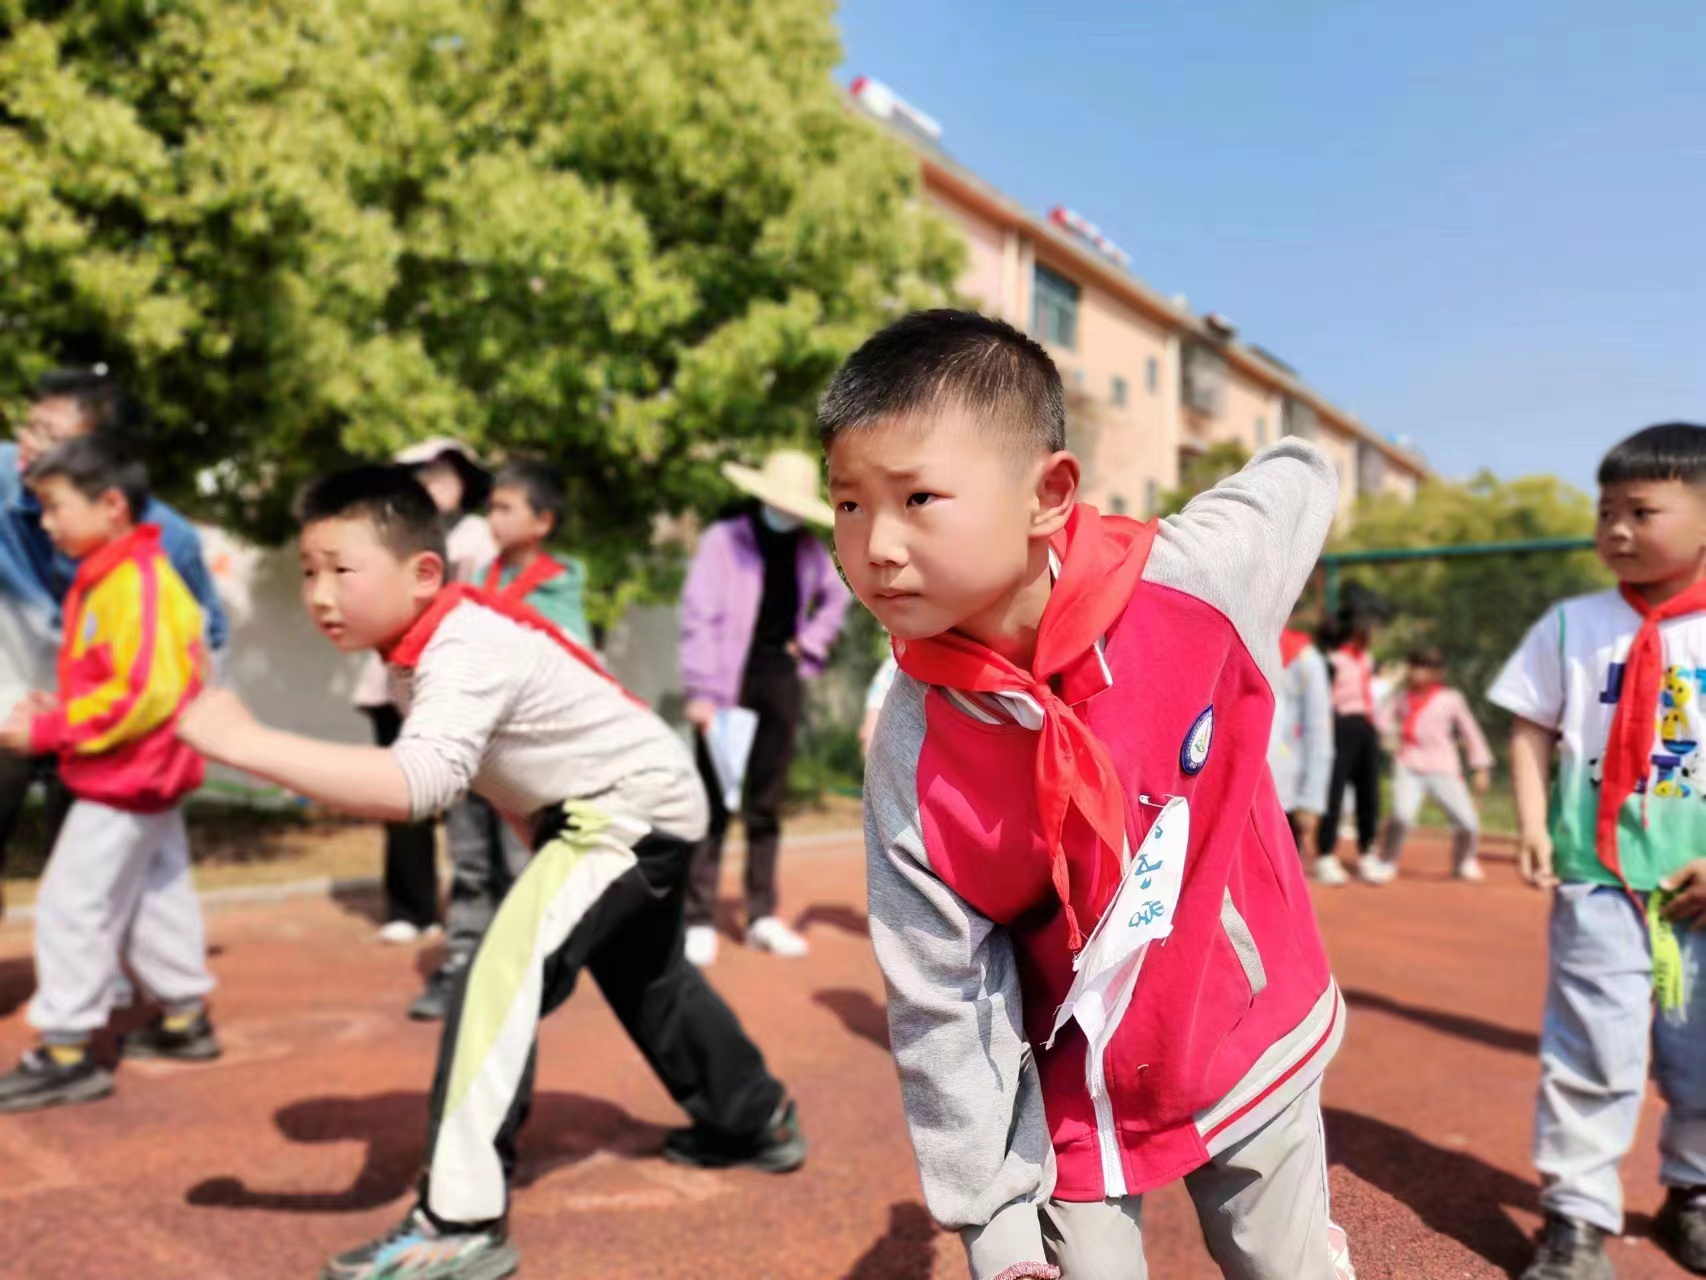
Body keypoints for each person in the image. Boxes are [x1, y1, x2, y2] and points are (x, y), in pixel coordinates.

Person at [176, 465, 803, 1280]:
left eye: (341, 568)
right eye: (307, 571)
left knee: (497, 978)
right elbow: (504, 762)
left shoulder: (462, 646)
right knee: (649, 977)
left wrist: (244, 744)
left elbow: (419, 786)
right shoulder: (427, 642)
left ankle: (460, 1219)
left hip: (622, 811)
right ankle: (756, 1118)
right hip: (634, 803)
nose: (320, 593)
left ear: (423, 572)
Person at [829, 310, 1355, 1280]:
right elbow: (939, 996)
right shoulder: (912, 750)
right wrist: (995, 1227)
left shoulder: (1191, 582)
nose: (875, 545)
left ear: (1048, 494)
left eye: (916, 498)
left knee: (1281, 1266)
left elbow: (1294, 480)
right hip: (1073, 1080)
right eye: (849, 504)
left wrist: (1307, 457)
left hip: (1241, 1018)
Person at [1490, 422, 1706, 1280]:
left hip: (1698, 890)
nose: (1615, 528)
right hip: (1598, 880)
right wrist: (1537, 824)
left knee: (1701, 1055)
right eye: (1604, 510)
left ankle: (1694, 1192)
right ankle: (1576, 1217)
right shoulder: (1572, 624)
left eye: (1641, 510)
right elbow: (1528, 725)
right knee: (1590, 1050)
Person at [0, 436, 219, 1113]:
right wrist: (61, 708)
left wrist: (47, 728)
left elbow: (142, 693)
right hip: (142, 770)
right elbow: (126, 682)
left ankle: (66, 1048)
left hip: (128, 773)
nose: (45, 521)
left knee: (71, 904)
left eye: (55, 506)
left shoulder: (135, 581)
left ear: (112, 505)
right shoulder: (113, 575)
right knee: (156, 894)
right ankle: (185, 1015)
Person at [0, 369, 228, 908]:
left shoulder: (167, 540)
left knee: (83, 874)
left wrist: (181, 736)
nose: (30, 444)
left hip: (101, 714)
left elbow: (205, 637)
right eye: (29, 426)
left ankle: (103, 984)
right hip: (15, 702)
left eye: (51, 434)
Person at [409, 458, 591, 1021]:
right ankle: (464, 960)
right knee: (468, 861)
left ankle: (526, 970)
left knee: (522, 862)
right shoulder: (475, 581)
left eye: (507, 508)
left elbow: (568, 658)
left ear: (543, 522)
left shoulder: (559, 585)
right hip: (473, 751)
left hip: (524, 757)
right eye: (492, 506)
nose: (494, 517)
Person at [678, 449, 851, 966]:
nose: (789, 510)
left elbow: (836, 596)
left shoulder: (807, 549)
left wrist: (810, 642)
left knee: (766, 803)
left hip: (779, 677)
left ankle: (760, 916)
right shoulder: (724, 541)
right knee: (712, 802)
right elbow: (699, 617)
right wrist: (702, 692)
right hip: (728, 683)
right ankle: (697, 917)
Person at [350, 438, 498, 944]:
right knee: (402, 797)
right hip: (393, 678)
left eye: (442, 475)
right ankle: (410, 908)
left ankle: (475, 910)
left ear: (463, 483)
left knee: (470, 803)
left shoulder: (479, 536)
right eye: (419, 476)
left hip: (454, 681)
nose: (431, 485)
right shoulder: (390, 537)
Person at [1368, 647, 1493, 885]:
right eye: (1416, 666)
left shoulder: (1451, 698)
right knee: (1402, 815)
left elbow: (1470, 731)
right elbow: (1381, 722)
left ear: (1439, 672)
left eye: (1427, 667)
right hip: (1408, 764)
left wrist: (1481, 766)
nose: (1420, 673)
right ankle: (1387, 860)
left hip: (1443, 767)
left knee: (1467, 821)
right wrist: (1390, 736)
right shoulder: (1401, 698)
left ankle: (1463, 860)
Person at [1270, 616, 1340, 884]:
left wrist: (1310, 801)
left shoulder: (1306, 660)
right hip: (1239, 785)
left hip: (1283, 787)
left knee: (1278, 882)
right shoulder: (1242, 637)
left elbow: (1318, 733)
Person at [1319, 612, 1386, 883]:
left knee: (1369, 791)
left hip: (1366, 726)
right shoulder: (1333, 661)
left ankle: (1367, 851)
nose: (1369, 633)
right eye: (1364, 628)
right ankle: (1326, 854)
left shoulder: (1367, 661)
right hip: (1341, 725)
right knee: (1334, 791)